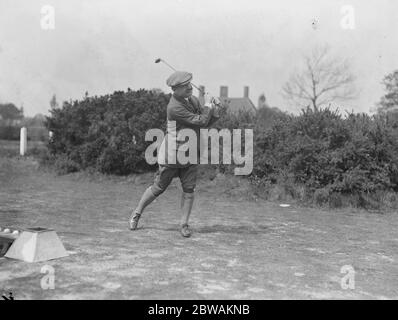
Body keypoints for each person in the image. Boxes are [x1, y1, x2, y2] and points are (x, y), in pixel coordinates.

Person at [129, 70, 220, 237]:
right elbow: (200, 120)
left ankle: (184, 224)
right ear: (175, 90)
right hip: (172, 154)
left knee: (189, 190)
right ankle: (137, 212)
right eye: (184, 86)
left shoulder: (191, 100)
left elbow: (204, 122)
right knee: (158, 188)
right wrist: (207, 105)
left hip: (190, 154)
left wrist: (214, 109)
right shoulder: (174, 107)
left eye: (189, 84)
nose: (189, 87)